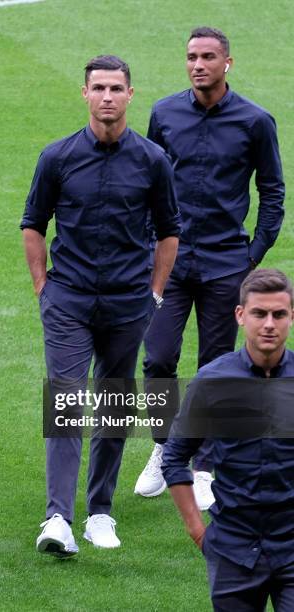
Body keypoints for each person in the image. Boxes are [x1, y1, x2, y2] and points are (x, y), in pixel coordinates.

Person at [21, 55, 180, 557]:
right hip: (67, 300)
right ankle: (57, 519)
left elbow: (170, 232)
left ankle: (100, 513)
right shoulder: (58, 156)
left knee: (114, 404)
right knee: (66, 403)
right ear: (85, 94)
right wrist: (42, 286)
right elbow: (32, 223)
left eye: (116, 88)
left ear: (130, 95)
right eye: (99, 88)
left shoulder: (153, 160)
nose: (107, 96)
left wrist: (154, 293)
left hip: (128, 303)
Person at [134, 26, 285, 509]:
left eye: (207, 57)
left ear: (227, 63)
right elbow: (149, 182)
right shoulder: (164, 113)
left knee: (213, 368)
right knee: (157, 357)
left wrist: (252, 254)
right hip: (171, 263)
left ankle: (201, 464)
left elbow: (273, 191)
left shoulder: (256, 122)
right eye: (191, 57)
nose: (198, 65)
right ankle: (163, 446)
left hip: (226, 265)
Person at [162, 268, 294, 611]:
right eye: (259, 313)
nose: (269, 324)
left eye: (279, 314)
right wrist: (197, 530)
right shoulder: (212, 381)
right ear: (240, 315)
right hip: (232, 551)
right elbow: (175, 457)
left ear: (291, 316)